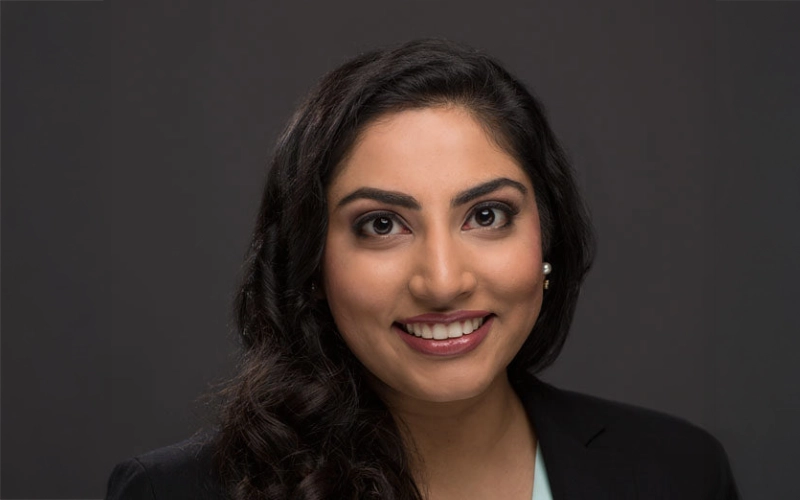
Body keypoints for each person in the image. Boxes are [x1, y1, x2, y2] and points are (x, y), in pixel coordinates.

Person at [106, 39, 739, 500]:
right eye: (382, 224)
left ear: (549, 236)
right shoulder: (174, 493)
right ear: (311, 263)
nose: (442, 281)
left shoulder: (679, 472)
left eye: (487, 215)